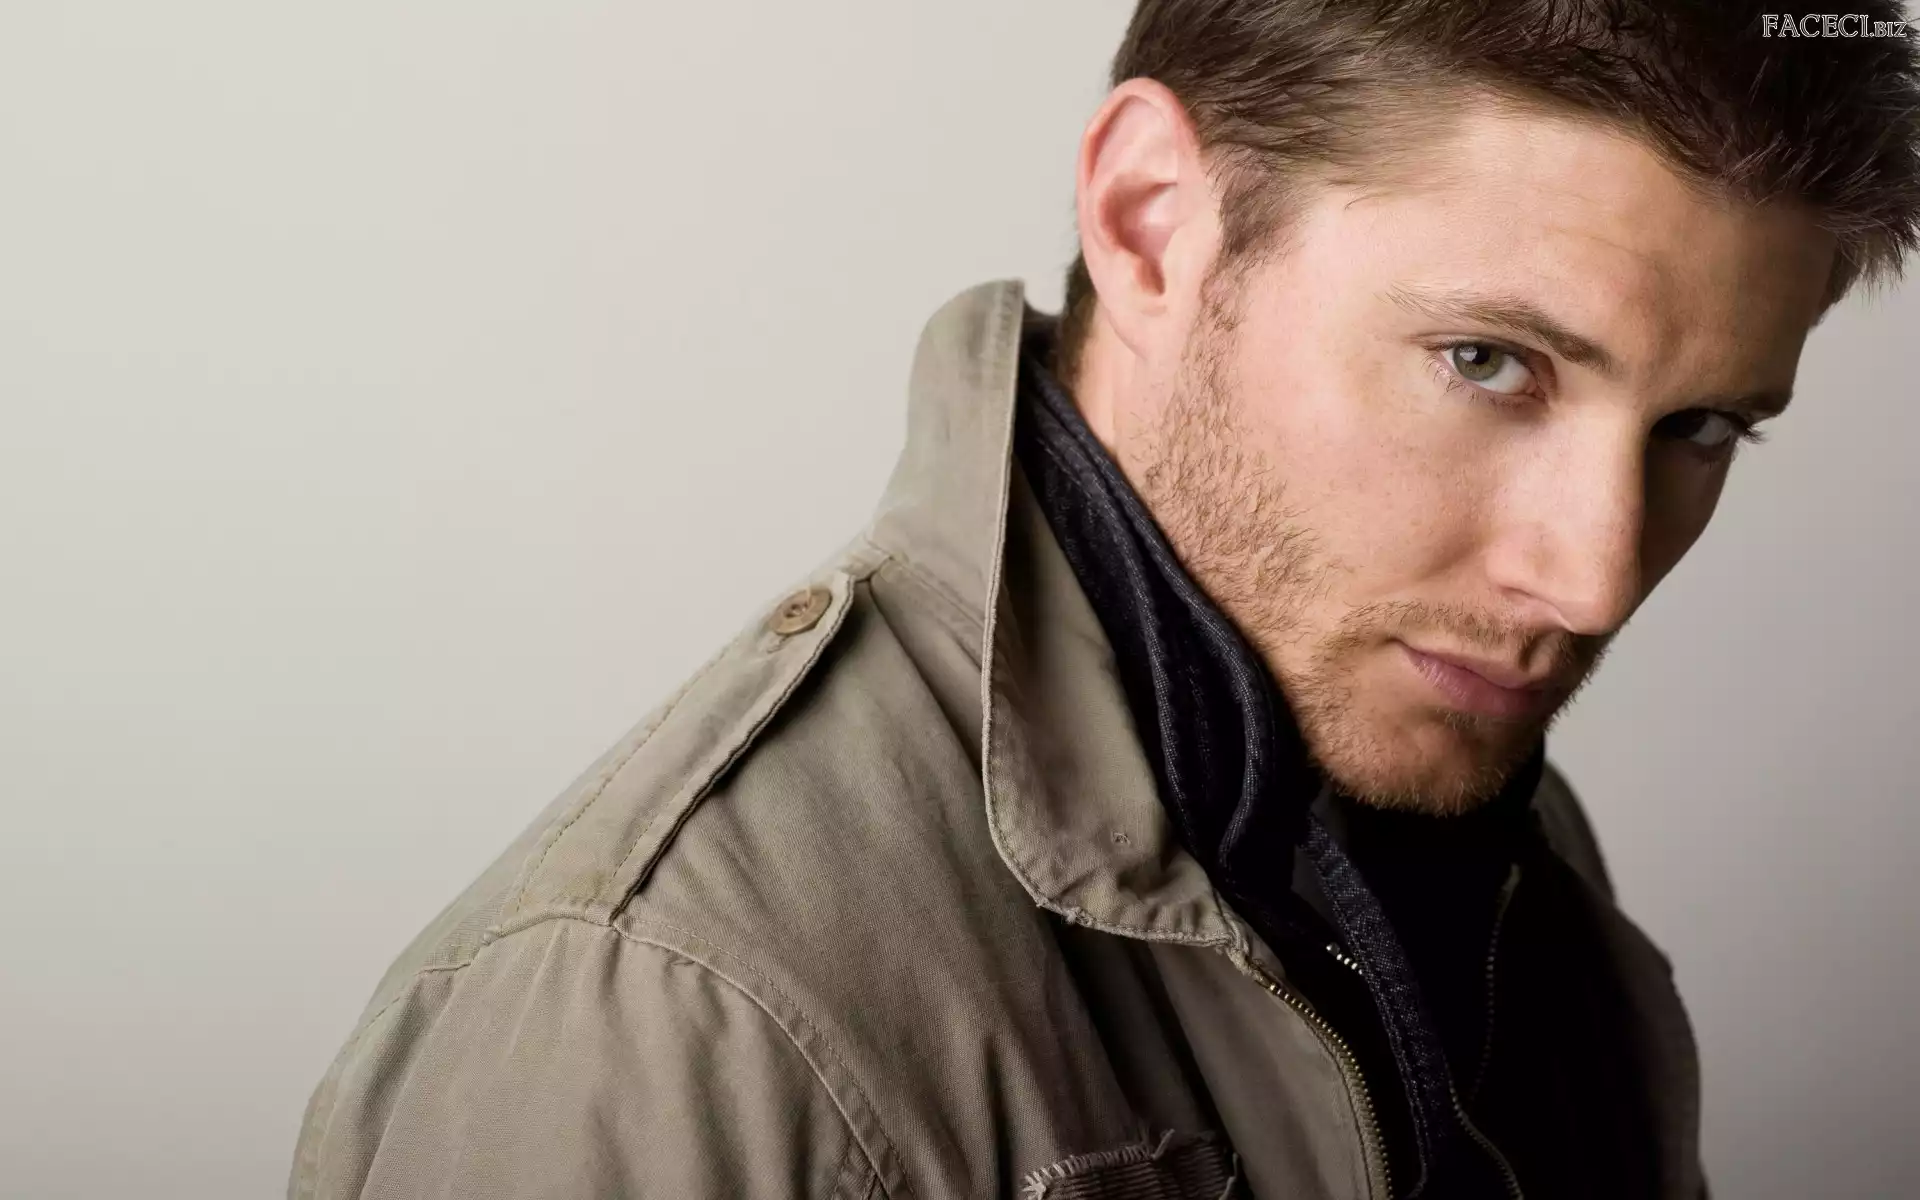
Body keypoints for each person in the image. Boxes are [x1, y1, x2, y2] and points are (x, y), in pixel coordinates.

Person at [290, 3, 1920, 1197]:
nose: (1591, 577)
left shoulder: (1474, 801)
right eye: (1486, 363)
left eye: (1702, 428)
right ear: (1152, 228)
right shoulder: (671, 1013)